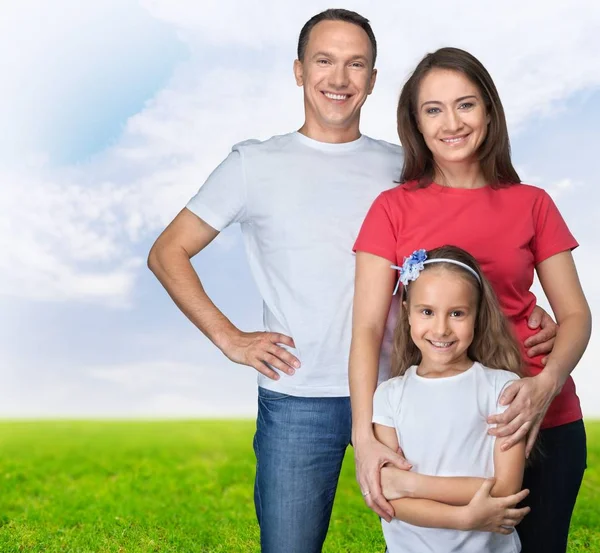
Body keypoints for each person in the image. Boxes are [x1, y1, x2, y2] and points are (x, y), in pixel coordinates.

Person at [148, 12, 557, 552]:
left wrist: (521, 309)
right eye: (324, 61)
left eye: (355, 64)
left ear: (372, 77)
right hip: (299, 395)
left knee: (433, 537)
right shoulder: (254, 164)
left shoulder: (404, 166)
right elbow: (167, 251)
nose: (339, 79)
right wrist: (230, 339)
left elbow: (463, 245)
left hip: (405, 388)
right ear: (298, 71)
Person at [350, 47, 591, 553]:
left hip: (538, 422)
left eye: (466, 105)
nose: (451, 123)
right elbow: (368, 330)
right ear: (415, 123)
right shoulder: (392, 208)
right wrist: (365, 434)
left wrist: (545, 385)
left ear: (489, 111)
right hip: (440, 431)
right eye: (432, 109)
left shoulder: (532, 203)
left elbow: (575, 315)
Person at [373, 245, 530, 552]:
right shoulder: (389, 396)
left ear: (477, 315)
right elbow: (390, 499)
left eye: (457, 313)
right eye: (427, 312)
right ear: (406, 312)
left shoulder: (502, 388)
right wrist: (465, 518)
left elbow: (506, 488)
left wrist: (412, 484)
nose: (441, 329)